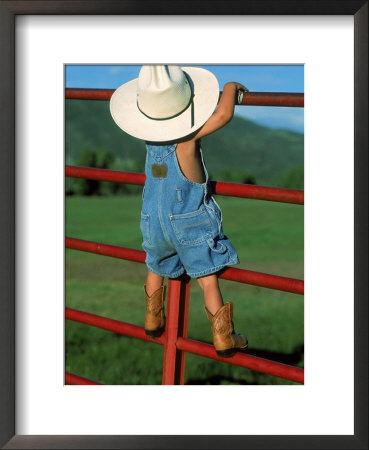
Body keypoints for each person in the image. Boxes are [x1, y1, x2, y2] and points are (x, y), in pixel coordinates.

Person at [110, 65, 248, 357]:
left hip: (153, 223)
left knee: (154, 265)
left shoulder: (150, 143)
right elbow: (223, 115)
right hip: (189, 225)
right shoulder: (188, 142)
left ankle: (152, 319)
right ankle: (223, 337)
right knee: (207, 279)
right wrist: (232, 86)